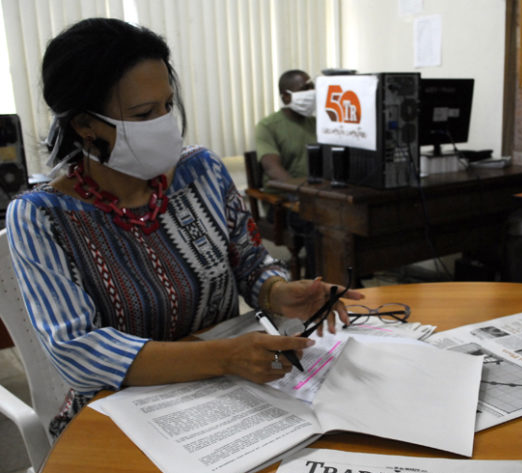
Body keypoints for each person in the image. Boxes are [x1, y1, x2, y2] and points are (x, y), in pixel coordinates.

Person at [5, 18, 362, 437]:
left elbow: (248, 263)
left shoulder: (202, 172)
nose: (164, 124)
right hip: (119, 412)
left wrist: (279, 292)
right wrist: (225, 356)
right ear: (84, 126)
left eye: (167, 106)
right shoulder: (42, 217)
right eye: (143, 114)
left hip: (233, 393)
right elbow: (80, 355)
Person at [255, 69, 318, 277]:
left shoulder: (317, 123)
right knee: (319, 224)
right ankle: (314, 285)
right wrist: (301, 193)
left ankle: (347, 281)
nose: (312, 93)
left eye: (312, 87)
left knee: (344, 220)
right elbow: (273, 170)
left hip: (317, 198)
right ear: (286, 96)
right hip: (283, 203)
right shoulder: (268, 126)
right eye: (305, 89)